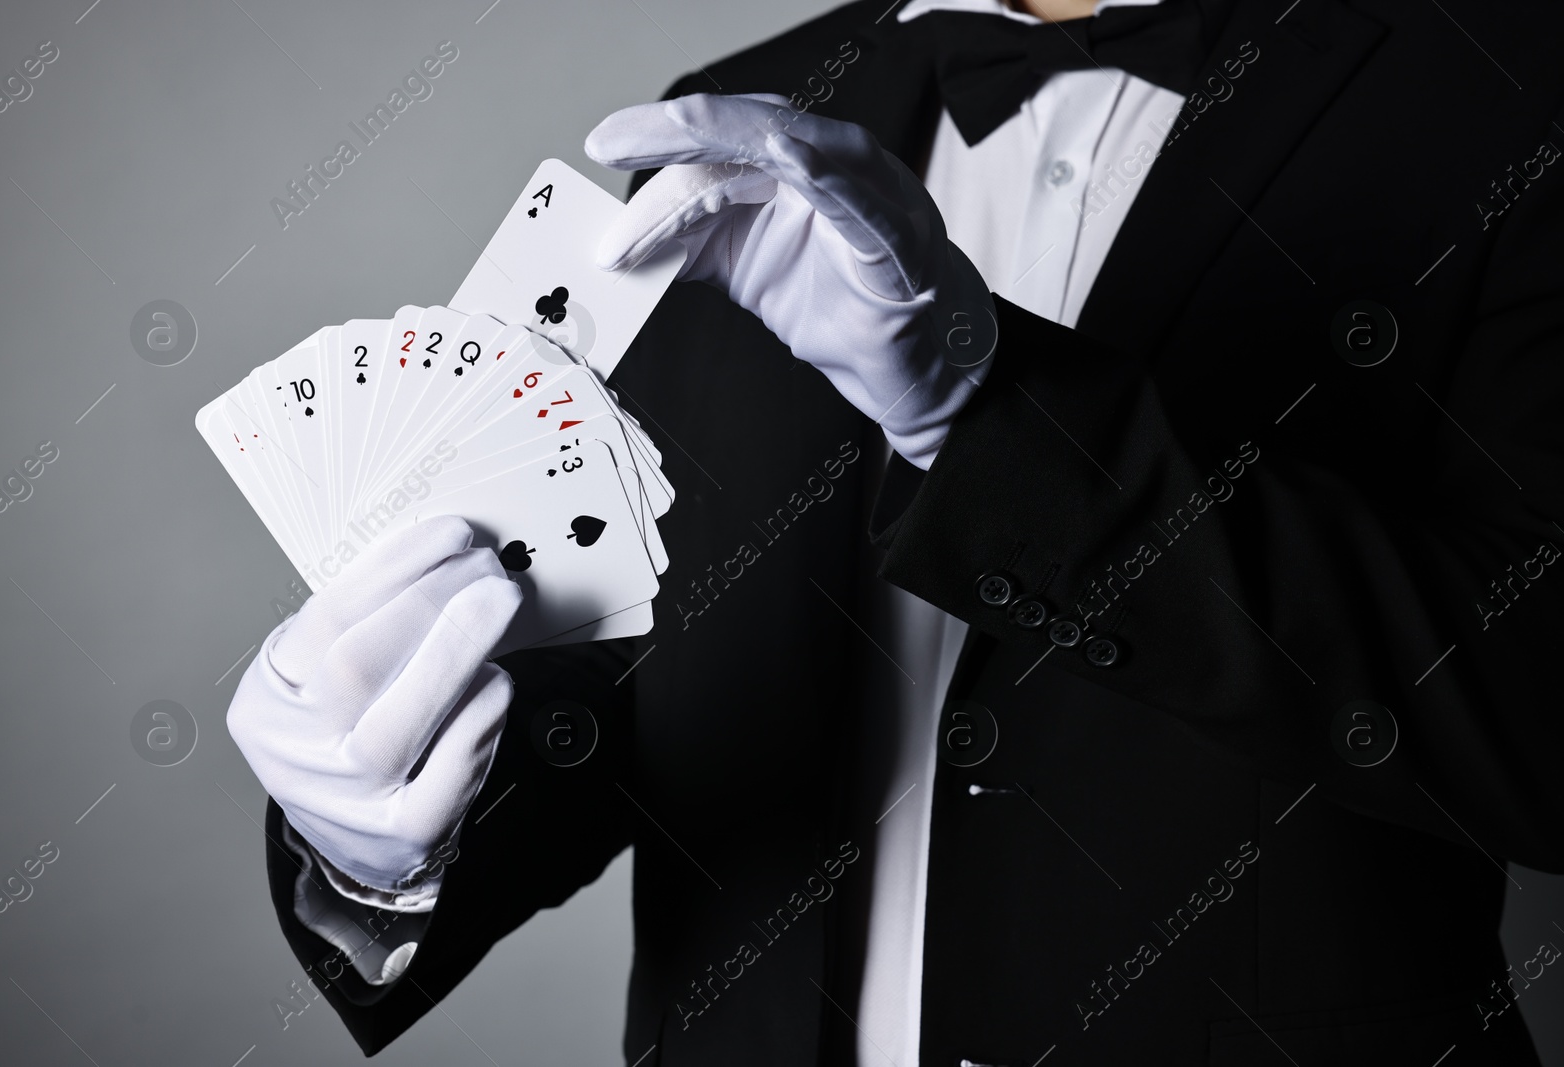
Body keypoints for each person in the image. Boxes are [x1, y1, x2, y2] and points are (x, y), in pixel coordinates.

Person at [225, 0, 1564, 1063]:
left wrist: (988, 414)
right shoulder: (741, 105)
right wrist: (376, 833)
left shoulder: (1513, 80)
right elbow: (645, 677)